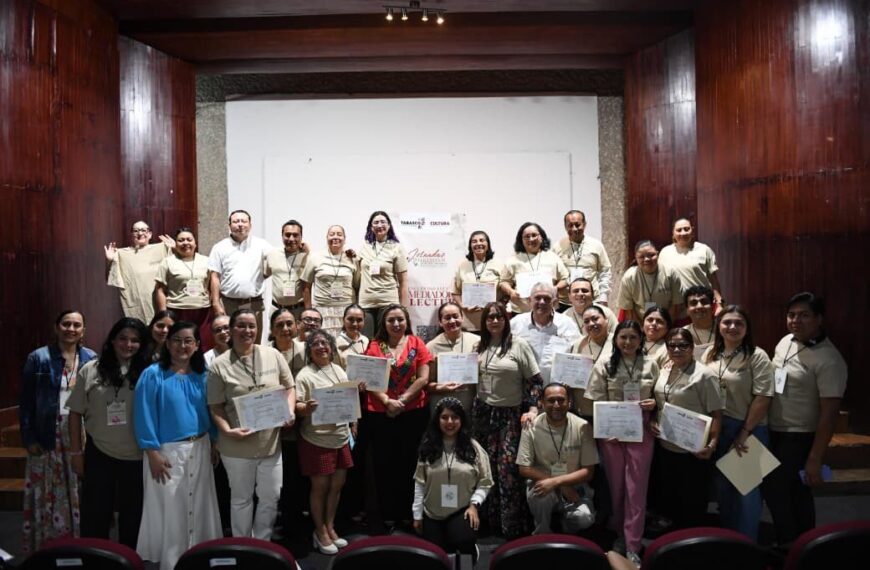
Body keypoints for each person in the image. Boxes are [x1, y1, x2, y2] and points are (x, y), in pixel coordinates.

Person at [134, 321, 222, 570]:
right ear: (167, 343)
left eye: (188, 341)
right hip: (166, 453)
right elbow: (143, 414)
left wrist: (214, 441)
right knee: (172, 508)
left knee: (200, 504)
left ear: (196, 345)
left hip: (200, 447)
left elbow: (210, 411)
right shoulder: (152, 374)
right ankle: (172, 562)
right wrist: (152, 452)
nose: (182, 346)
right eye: (177, 340)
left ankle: (199, 557)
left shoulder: (203, 375)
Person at [762, 292, 847, 546]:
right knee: (792, 492)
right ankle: (802, 545)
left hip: (799, 436)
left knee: (779, 490)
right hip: (775, 429)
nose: (796, 321)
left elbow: (829, 415)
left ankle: (791, 546)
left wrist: (815, 458)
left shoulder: (829, 359)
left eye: (804, 315)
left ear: (819, 319)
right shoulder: (786, 341)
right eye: (791, 315)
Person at [207, 309, 297, 540]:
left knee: (271, 497)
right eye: (241, 326)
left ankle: (262, 542)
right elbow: (215, 406)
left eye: (252, 326)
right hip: (236, 446)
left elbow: (289, 387)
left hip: (270, 444)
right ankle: (243, 544)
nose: (247, 330)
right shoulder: (219, 365)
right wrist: (227, 430)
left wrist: (289, 410)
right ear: (231, 330)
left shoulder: (272, 354)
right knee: (241, 499)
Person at [67, 317, 149, 549]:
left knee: (133, 516)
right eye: (123, 338)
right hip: (99, 452)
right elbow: (75, 413)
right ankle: (95, 557)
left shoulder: (149, 372)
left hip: (137, 455)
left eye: (135, 340)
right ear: (112, 340)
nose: (128, 344)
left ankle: (129, 559)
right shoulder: (90, 370)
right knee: (95, 514)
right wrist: (76, 453)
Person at [19, 310, 97, 554]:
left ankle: (79, 543)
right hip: (47, 432)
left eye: (76, 325)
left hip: (81, 431)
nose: (71, 329)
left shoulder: (91, 358)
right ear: (56, 328)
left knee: (78, 486)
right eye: (66, 324)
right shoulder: (38, 357)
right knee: (46, 489)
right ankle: (47, 546)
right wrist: (28, 437)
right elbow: (26, 401)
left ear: (83, 331)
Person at [585, 321, 658, 565]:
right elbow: (595, 400)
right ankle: (619, 534)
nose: (628, 342)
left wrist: (654, 404)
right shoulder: (605, 364)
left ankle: (633, 543)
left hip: (641, 429)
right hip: (612, 430)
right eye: (623, 337)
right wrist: (607, 426)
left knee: (636, 488)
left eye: (633, 337)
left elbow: (661, 396)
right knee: (616, 486)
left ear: (641, 340)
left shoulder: (651, 363)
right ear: (616, 339)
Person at [702, 305, 773, 541]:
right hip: (718, 426)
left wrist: (744, 432)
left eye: (739, 323)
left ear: (747, 328)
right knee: (723, 489)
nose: (732, 327)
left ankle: (747, 545)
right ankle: (729, 540)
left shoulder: (757, 355)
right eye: (727, 322)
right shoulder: (711, 353)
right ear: (719, 326)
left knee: (746, 491)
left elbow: (763, 397)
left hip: (748, 428)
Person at [473, 301, 543, 537]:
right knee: (485, 469)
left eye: (499, 317)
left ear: (506, 320)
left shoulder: (518, 345)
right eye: (490, 317)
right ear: (484, 322)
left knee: (507, 471)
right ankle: (488, 522)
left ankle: (511, 526)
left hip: (510, 416)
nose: (494, 321)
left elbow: (536, 382)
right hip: (483, 414)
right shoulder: (479, 346)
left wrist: (532, 408)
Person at [362, 304, 431, 527]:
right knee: (384, 464)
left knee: (410, 462)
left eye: (400, 319)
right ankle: (388, 514)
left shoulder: (417, 343)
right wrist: (386, 401)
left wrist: (402, 400)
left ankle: (409, 513)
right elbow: (369, 379)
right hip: (381, 414)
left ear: (407, 321)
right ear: (384, 323)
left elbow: (423, 378)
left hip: (413, 412)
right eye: (391, 320)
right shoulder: (374, 346)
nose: (396, 324)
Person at [650, 328, 723, 529]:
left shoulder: (704, 375)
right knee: (670, 498)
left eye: (683, 345)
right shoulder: (664, 370)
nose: (677, 349)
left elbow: (717, 413)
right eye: (672, 345)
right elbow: (659, 403)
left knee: (692, 501)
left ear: (692, 348)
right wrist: (653, 421)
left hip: (693, 449)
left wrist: (712, 444)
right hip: (666, 445)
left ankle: (692, 540)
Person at [295, 329, 354, 555]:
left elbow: (349, 402)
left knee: (337, 486)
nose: (321, 347)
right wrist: (306, 408)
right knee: (320, 488)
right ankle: (319, 531)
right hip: (317, 439)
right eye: (315, 344)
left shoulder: (339, 370)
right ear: (309, 350)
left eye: (324, 343)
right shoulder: (305, 375)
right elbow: (297, 407)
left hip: (341, 437)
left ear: (331, 347)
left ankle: (330, 526)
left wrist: (353, 423)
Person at [413, 398, 492, 560]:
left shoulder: (474, 448)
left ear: (462, 420)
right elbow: (419, 483)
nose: (450, 422)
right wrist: (417, 515)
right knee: (434, 555)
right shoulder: (428, 447)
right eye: (444, 417)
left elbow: (485, 482)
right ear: (437, 420)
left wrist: (474, 505)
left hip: (462, 509)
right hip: (432, 512)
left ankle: (470, 550)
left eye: (455, 417)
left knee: (463, 540)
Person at [517, 383, 597, 535]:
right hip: (543, 483)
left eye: (561, 400)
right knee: (540, 497)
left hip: (575, 485)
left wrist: (558, 483)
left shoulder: (583, 427)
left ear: (569, 402)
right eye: (551, 400)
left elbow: (589, 471)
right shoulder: (531, 427)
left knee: (584, 518)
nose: (556, 405)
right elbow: (524, 468)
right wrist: (558, 484)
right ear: (541, 403)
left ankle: (567, 529)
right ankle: (542, 532)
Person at [208, 210, 272, 337]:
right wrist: (216, 303)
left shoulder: (262, 245)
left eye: (244, 221)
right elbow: (215, 276)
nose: (240, 224)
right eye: (236, 221)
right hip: (228, 304)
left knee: (253, 340)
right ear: (229, 225)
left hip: (254, 304)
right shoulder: (219, 247)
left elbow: (276, 261)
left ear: (250, 225)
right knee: (230, 340)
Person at [155, 227, 214, 350]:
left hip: (203, 311)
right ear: (175, 244)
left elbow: (211, 287)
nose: (185, 243)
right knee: (179, 346)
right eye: (181, 240)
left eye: (189, 239)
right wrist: (164, 314)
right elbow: (160, 290)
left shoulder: (206, 261)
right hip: (177, 310)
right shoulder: (167, 262)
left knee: (203, 346)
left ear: (195, 243)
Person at [510, 281, 581, 382]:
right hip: (524, 385)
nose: (542, 302)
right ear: (530, 300)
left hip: (556, 386)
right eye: (538, 298)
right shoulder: (516, 323)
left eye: (547, 299)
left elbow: (577, 354)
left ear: (554, 302)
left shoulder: (567, 324)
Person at [105, 220, 173, 324]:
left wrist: (175, 249)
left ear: (150, 234)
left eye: (143, 230)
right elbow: (111, 279)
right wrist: (109, 261)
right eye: (136, 231)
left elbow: (177, 270)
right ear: (131, 234)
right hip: (137, 306)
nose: (140, 233)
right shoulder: (122, 255)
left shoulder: (162, 249)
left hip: (162, 302)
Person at [301, 224, 359, 337]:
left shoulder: (352, 259)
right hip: (323, 310)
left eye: (339, 234)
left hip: (346, 310)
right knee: (323, 342)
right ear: (327, 238)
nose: (335, 237)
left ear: (345, 239)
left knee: (345, 342)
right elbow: (306, 286)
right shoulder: (315, 258)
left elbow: (357, 285)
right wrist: (309, 311)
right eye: (332, 234)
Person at [499, 222, 569, 315]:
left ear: (541, 237)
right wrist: (511, 291)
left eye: (534, 235)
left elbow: (565, 278)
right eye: (527, 236)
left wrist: (555, 288)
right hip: (522, 311)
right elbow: (503, 282)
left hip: (548, 309)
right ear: (521, 240)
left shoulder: (552, 257)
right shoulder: (513, 259)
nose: (531, 239)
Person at [357, 211, 408, 337]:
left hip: (388, 303)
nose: (379, 225)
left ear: (389, 225)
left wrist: (403, 309)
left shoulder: (397, 248)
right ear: (371, 227)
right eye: (376, 222)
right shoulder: (364, 247)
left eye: (383, 222)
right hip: (365, 303)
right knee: (366, 341)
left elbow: (403, 281)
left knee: (385, 342)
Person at [426, 302, 480, 412]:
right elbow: (425, 384)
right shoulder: (431, 347)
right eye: (447, 318)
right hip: (442, 406)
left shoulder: (477, 341)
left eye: (455, 316)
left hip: (470, 403)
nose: (452, 321)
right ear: (440, 322)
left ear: (462, 317)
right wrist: (439, 387)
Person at [555, 210, 612, 309]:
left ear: (584, 224)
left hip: (591, 300)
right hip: (565, 303)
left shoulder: (596, 245)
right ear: (565, 227)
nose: (574, 229)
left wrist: (603, 297)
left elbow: (605, 272)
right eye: (570, 225)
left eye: (578, 225)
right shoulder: (557, 247)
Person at [658, 217, 723, 305]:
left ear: (692, 231)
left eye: (686, 229)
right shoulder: (665, 252)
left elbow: (713, 280)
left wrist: (719, 303)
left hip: (701, 302)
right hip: (676, 306)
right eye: (679, 230)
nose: (683, 233)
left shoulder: (704, 250)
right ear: (673, 234)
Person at [615, 240, 683, 323]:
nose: (647, 259)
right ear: (636, 258)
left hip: (666, 322)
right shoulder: (629, 277)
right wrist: (641, 328)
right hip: (640, 323)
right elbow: (629, 311)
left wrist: (665, 326)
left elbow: (676, 306)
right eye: (641, 257)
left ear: (657, 254)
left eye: (651, 255)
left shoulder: (671, 273)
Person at [452, 230, 503, 331]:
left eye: (482, 240)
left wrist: (499, 306)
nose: (478, 243)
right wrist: (463, 306)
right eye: (474, 241)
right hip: (469, 321)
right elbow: (455, 291)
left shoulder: (499, 264)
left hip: (493, 319)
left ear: (488, 244)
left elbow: (506, 290)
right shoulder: (462, 265)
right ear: (470, 246)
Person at [570, 305, 614, 417]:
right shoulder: (579, 344)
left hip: (610, 409)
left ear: (606, 319)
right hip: (583, 408)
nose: (591, 324)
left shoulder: (618, 342)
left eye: (595, 319)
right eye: (586, 321)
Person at [264, 219, 309, 319]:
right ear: (282, 236)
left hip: (298, 310)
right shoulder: (272, 254)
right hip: (276, 310)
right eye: (287, 235)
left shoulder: (306, 256)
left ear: (301, 237)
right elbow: (264, 275)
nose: (291, 239)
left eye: (295, 235)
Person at [683, 285, 716, 360]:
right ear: (687, 310)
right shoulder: (683, 333)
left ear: (712, 307)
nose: (699, 306)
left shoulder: (724, 330)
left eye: (704, 302)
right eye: (693, 303)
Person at [270, 308, 306, 377]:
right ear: (272, 330)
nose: (285, 329)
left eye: (289, 324)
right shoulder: (264, 352)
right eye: (280, 325)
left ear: (297, 325)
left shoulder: (305, 349)